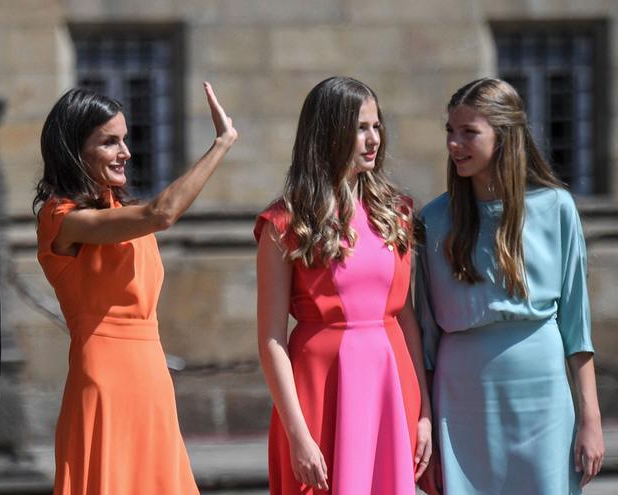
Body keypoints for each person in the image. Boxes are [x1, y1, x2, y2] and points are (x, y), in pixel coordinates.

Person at [33, 82, 237, 494]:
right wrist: (221, 144)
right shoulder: (62, 218)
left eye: (124, 140)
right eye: (110, 142)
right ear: (75, 149)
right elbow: (162, 213)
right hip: (104, 377)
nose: (125, 152)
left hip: (150, 373)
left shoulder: (122, 212)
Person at [414, 78, 605, 495]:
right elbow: (424, 337)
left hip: (543, 392)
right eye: (450, 131)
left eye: (469, 132)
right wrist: (424, 421)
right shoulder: (432, 220)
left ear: (504, 136)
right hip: (460, 397)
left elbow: (577, 325)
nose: (454, 144)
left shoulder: (556, 207)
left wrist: (590, 418)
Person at [255, 76, 432, 494]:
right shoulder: (284, 224)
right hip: (319, 389)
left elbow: (404, 314)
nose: (374, 139)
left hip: (392, 384)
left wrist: (423, 409)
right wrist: (297, 433)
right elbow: (271, 340)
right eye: (360, 128)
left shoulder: (397, 212)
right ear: (329, 132)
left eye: (376, 126)